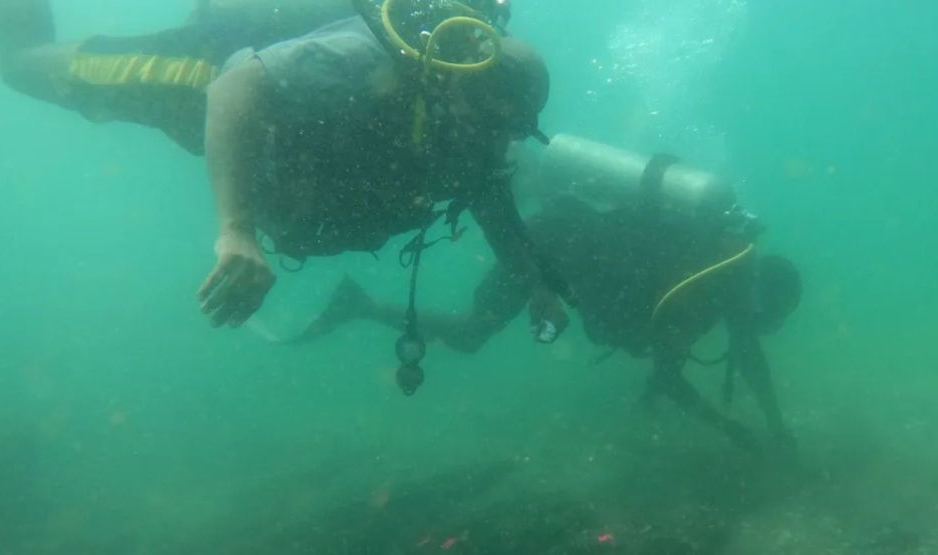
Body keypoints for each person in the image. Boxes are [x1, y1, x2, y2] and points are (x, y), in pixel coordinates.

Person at [0, 0, 571, 348]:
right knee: (24, 64)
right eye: (487, 116)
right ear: (457, 77)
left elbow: (491, 199)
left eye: (506, 130)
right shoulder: (369, 64)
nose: (489, 138)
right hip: (201, 84)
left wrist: (534, 281)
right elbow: (233, 91)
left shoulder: (476, 135)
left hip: (271, 71)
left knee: (224, 4)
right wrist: (236, 228)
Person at [289, 190, 802, 451]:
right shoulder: (707, 287)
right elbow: (671, 377)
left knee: (471, 334)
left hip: (563, 237)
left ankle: (358, 305)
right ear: (759, 298)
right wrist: (738, 431)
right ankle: (358, 305)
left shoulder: (715, 271)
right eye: (767, 318)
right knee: (470, 335)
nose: (754, 330)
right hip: (550, 248)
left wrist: (774, 425)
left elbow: (741, 359)